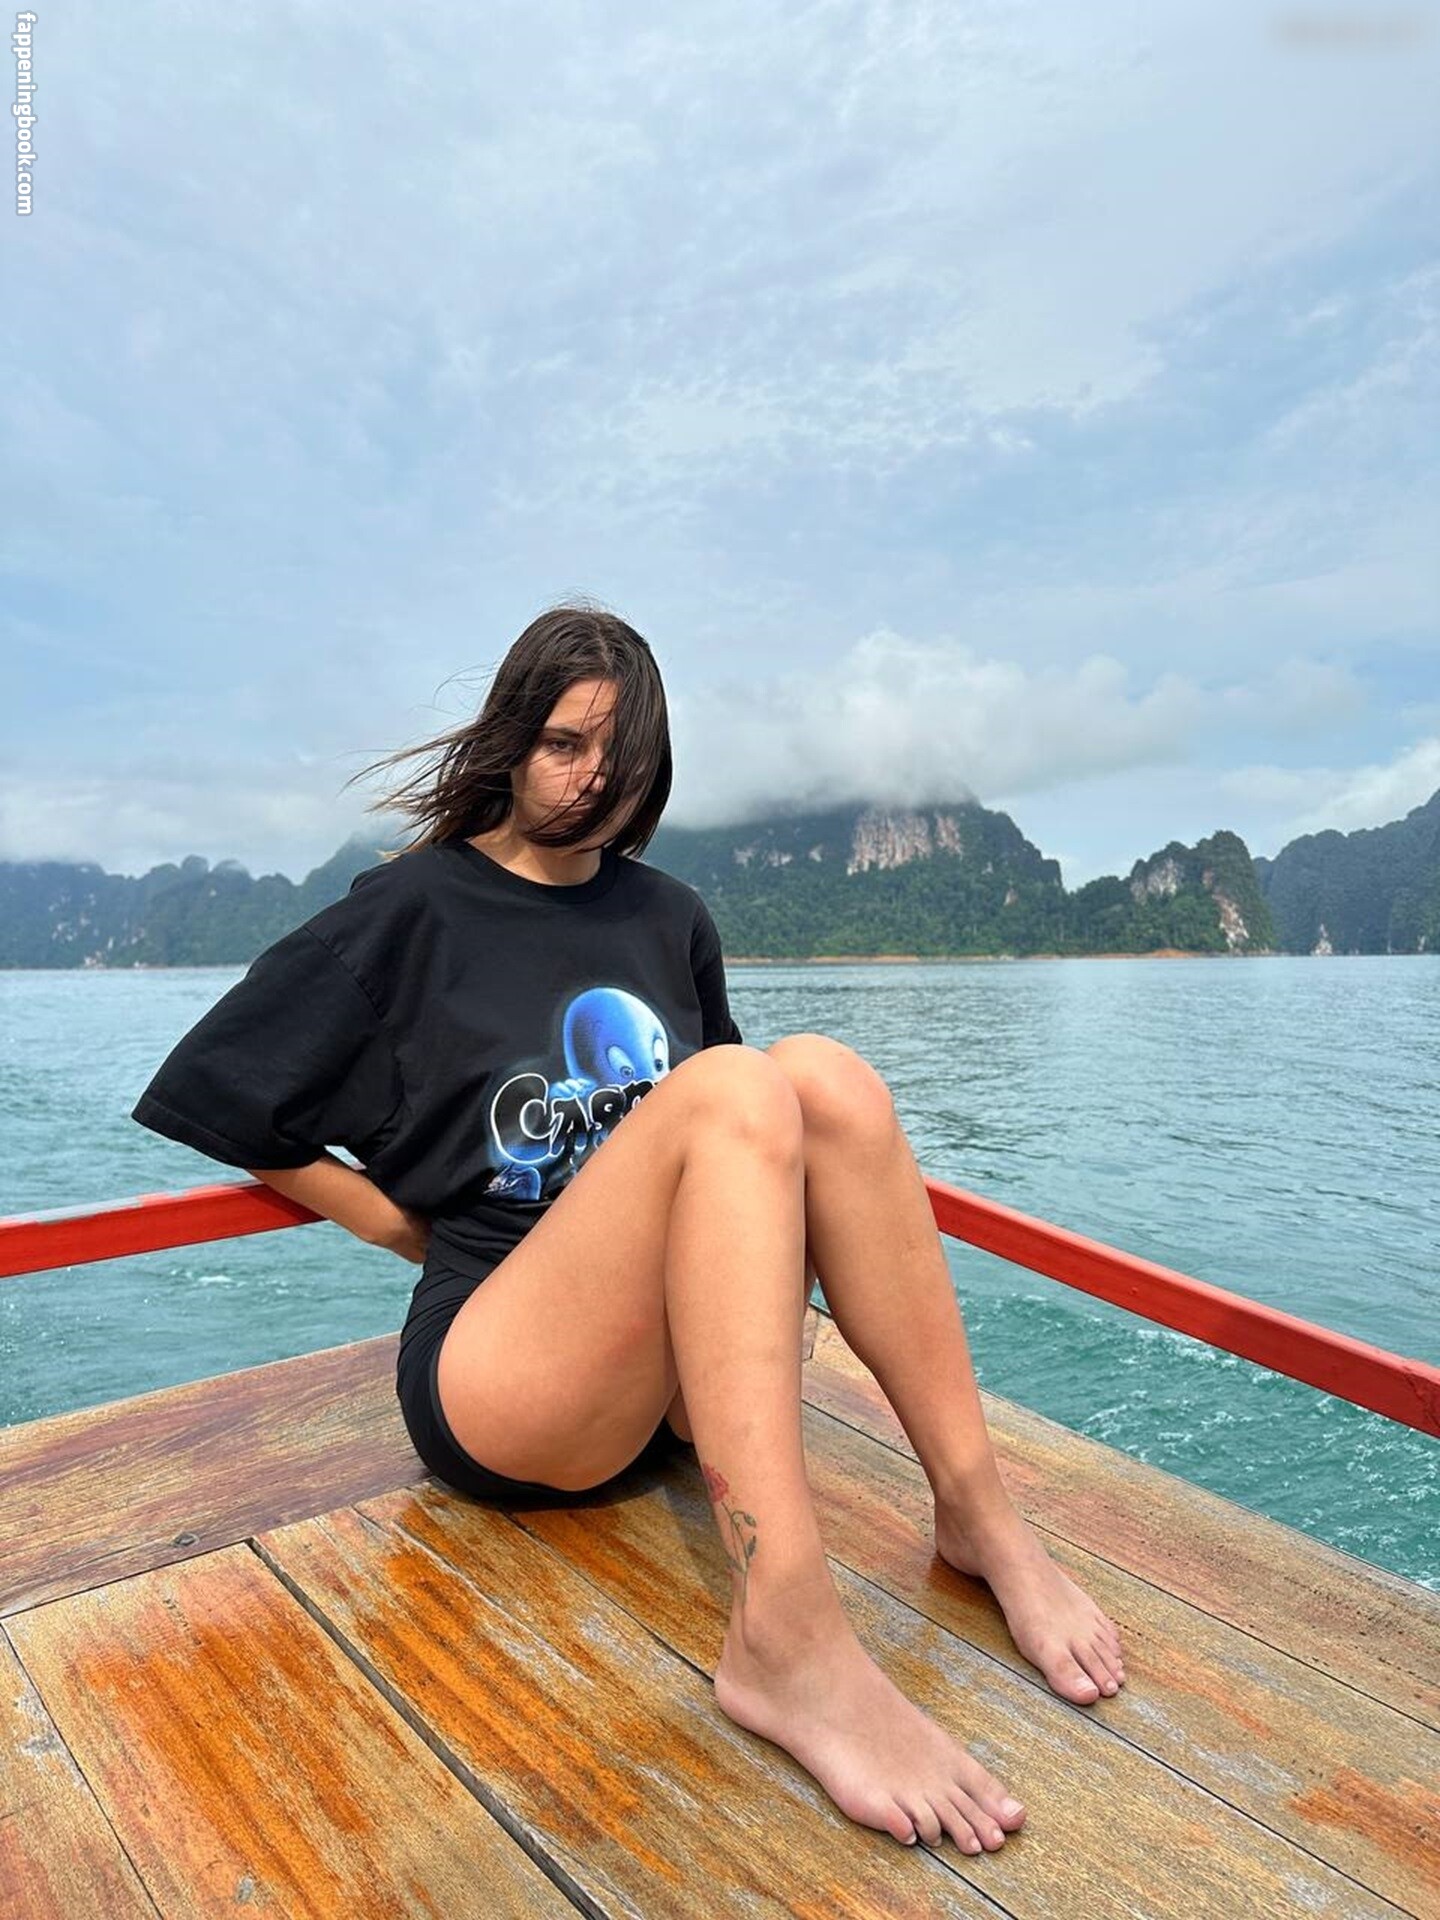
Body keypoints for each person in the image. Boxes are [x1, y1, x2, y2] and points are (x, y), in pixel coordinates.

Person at [133, 602, 1124, 1855]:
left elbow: (749, 1153)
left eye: (623, 755)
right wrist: (401, 1230)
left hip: (664, 1378)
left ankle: (978, 1511)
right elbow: (221, 1093)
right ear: (510, 742)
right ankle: (787, 1635)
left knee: (824, 1079)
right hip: (507, 1371)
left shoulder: (669, 917)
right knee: (734, 1086)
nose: (594, 779)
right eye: (564, 744)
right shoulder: (411, 911)